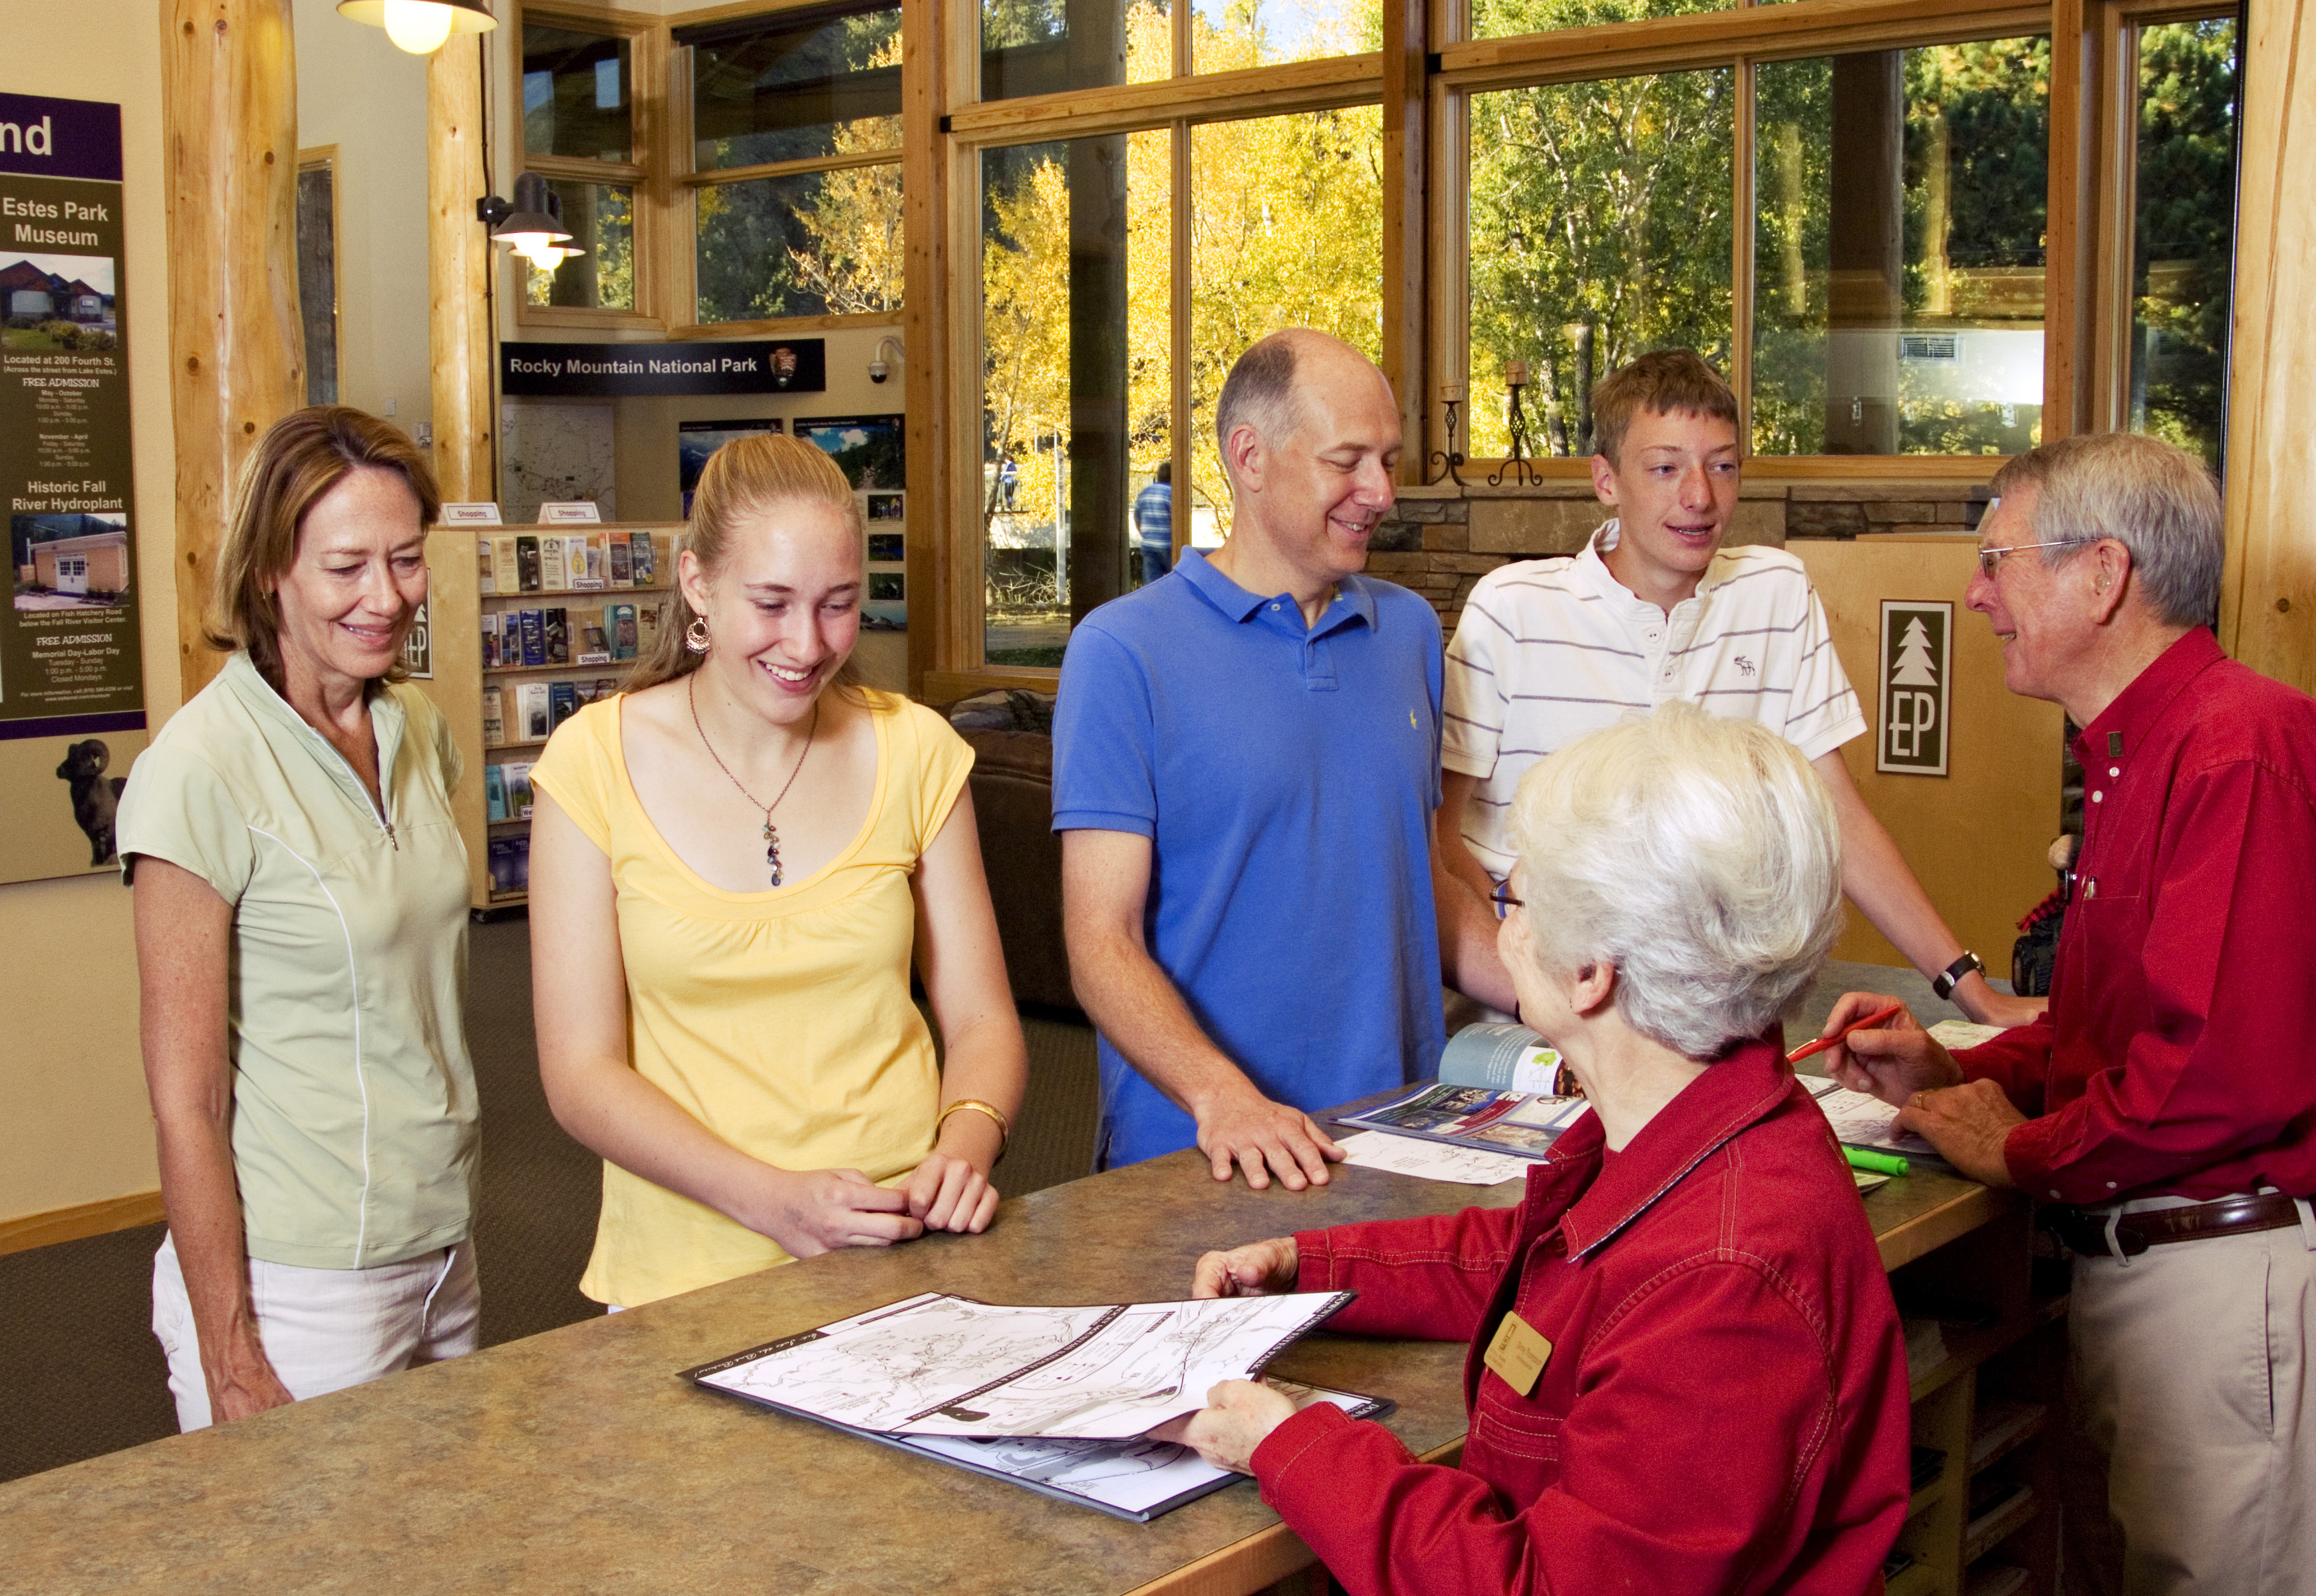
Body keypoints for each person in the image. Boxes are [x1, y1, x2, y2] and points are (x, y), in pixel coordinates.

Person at [1157, 704, 1912, 1596]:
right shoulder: (1698, 1122)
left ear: (1591, 973)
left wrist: (1295, 1448)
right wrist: (1302, 1264)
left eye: (1516, 900)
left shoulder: (1724, 1278)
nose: (1501, 923)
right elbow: (1536, 1271)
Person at [1820, 432, 2316, 1596]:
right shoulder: (2139, 753)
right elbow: (2106, 1024)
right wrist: (1952, 1071)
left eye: (1996, 560)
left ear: (2101, 575)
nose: (1975, 594)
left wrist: (2019, 1148)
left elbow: (2213, 1077)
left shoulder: (2234, 751)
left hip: (2214, 1273)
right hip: (2137, 1270)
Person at [528, 433, 1027, 1309]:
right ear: (697, 585)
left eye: (837, 605)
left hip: (902, 1248)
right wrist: (770, 1203)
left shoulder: (913, 747)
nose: (806, 643)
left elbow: (983, 1019)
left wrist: (966, 1142)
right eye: (772, 603)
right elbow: (580, 1071)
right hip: (682, 1273)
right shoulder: (591, 760)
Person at [1438, 350, 2041, 1028]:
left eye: (1721, 466)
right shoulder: (1511, 609)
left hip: (1710, 1015)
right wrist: (1532, 981)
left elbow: (1835, 814)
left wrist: (1970, 992)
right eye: (1664, 468)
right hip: (1534, 1014)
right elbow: (1440, 833)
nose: (1698, 496)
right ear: (1605, 480)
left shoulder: (1773, 592)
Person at [1056, 328, 1508, 1192]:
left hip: (1393, 1135)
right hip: (1198, 1155)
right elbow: (1099, 942)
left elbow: (1420, 883)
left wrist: (1558, 991)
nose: (1379, 492)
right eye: (1347, 461)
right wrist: (1222, 1096)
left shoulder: (1408, 631)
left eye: (1387, 459)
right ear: (1249, 457)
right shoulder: (1121, 652)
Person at [119, 406, 478, 1430]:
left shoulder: (417, 728)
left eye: (405, 560)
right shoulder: (197, 771)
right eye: (346, 566)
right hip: (298, 1281)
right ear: (272, 568)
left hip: (443, 1239)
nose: (387, 597)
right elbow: (185, 1102)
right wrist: (229, 1347)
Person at [1134, 460, 1173, 582]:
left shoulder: (1145, 493)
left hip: (1149, 545)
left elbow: (1137, 519)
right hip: (1168, 546)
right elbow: (1176, 520)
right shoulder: (1172, 493)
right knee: (1175, 584)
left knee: (1151, 587)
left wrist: (1147, 535)